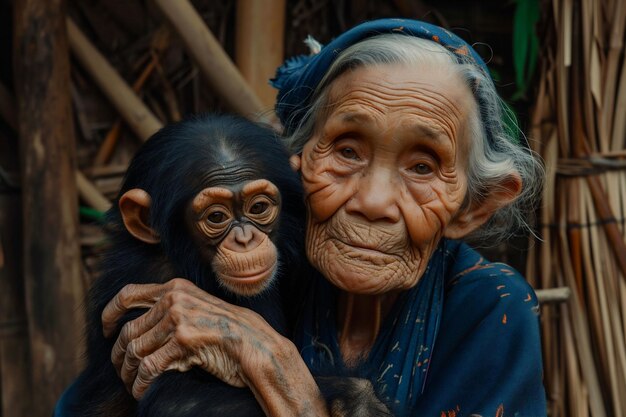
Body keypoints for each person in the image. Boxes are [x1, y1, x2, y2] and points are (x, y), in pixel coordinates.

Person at [60, 18, 547, 417]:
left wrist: (270, 363)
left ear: (475, 206)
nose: (374, 201)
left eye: (422, 166)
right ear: (300, 165)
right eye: (347, 150)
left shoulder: (490, 306)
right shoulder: (249, 267)